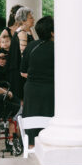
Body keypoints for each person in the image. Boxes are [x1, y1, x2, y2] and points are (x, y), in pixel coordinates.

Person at [21, 15, 55, 143]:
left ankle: (30, 145)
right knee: (49, 122)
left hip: (31, 90)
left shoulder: (30, 47)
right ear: (52, 32)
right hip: (50, 90)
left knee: (32, 121)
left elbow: (23, 71)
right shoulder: (58, 48)